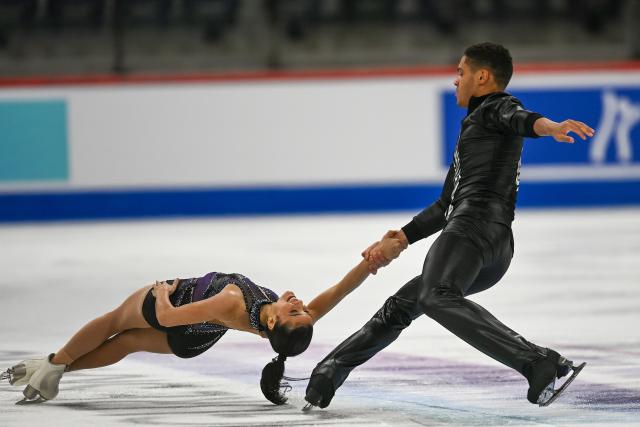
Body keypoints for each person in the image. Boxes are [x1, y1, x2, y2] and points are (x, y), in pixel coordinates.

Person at [304, 42, 593, 409]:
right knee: (403, 306)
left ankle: (538, 361)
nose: (455, 80)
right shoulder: (475, 126)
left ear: (483, 76)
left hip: (472, 231)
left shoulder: (495, 107)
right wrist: (402, 237)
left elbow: (522, 118)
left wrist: (550, 127)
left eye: (461, 72)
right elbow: (445, 205)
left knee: (435, 296)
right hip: (494, 245)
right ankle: (329, 372)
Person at [1, 249, 402, 405]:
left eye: (297, 311)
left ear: (278, 320)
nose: (301, 304)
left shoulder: (233, 301)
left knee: (114, 322)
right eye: (304, 311)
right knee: (124, 345)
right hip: (197, 340)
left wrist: (160, 293)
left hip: (177, 308)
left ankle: (53, 363)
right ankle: (53, 370)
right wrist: (370, 265)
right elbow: (339, 292)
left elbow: (169, 317)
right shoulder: (278, 325)